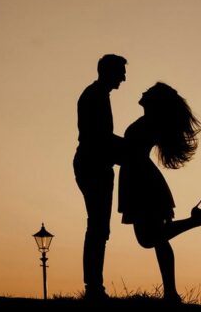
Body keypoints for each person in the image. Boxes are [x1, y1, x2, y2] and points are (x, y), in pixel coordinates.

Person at [118, 82, 201, 303]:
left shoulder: (151, 123)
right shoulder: (149, 122)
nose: (143, 92)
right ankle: (171, 293)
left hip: (142, 181)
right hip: (138, 179)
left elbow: (130, 150)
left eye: (148, 92)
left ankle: (197, 221)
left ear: (155, 100)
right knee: (156, 238)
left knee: (149, 239)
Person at [73, 54, 127, 299]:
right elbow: (99, 139)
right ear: (108, 72)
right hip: (94, 165)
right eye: (120, 72)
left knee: (98, 227)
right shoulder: (94, 96)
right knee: (98, 227)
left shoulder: (97, 95)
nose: (124, 78)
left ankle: (94, 285)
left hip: (94, 164)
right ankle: (93, 287)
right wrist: (131, 149)